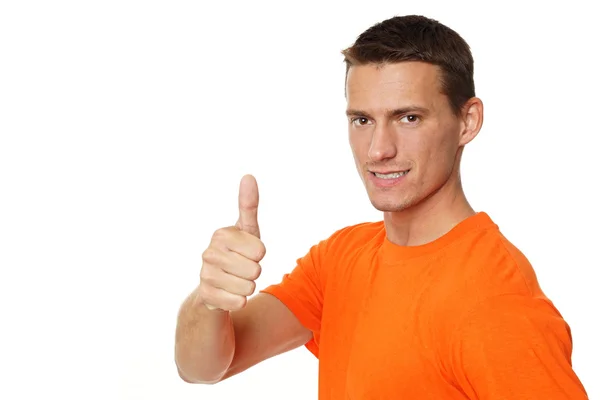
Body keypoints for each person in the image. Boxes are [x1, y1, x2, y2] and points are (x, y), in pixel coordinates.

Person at [174, 14, 588, 399]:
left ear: (468, 121)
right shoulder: (340, 259)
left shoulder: (497, 301)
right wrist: (210, 299)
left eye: (408, 118)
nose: (378, 150)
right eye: (362, 120)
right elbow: (204, 367)